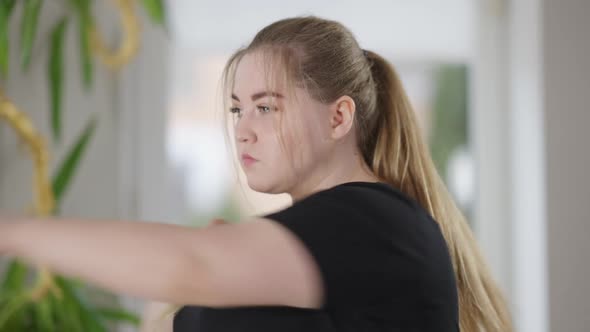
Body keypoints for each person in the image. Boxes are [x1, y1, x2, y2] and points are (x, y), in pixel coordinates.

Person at [0, 16, 512, 332]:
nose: (243, 130)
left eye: (266, 108)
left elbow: (188, 266)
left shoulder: (371, 222)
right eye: (237, 109)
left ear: (339, 117)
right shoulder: (328, 241)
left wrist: (12, 232)